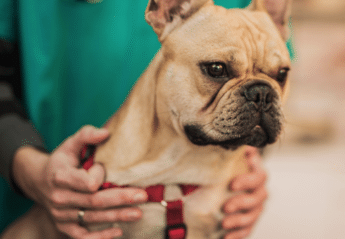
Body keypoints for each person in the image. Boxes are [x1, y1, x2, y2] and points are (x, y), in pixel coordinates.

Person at [0, 0, 275, 238]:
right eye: (217, 69)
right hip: (34, 190)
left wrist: (250, 164)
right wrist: (30, 169)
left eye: (279, 76)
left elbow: (269, 66)